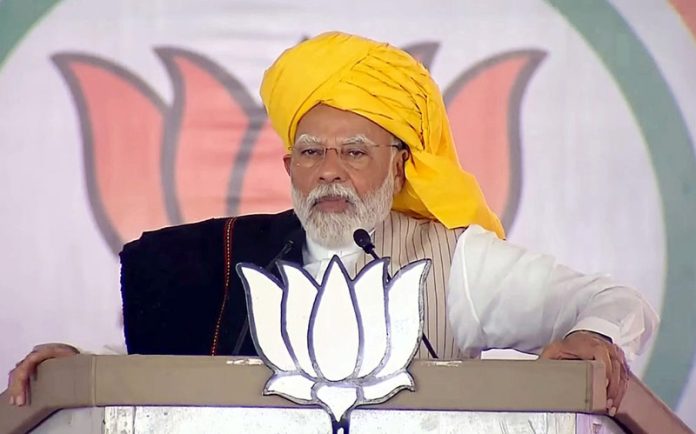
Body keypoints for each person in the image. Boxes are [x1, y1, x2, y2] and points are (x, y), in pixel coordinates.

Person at [7, 32, 657, 416]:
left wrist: (596, 336)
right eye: (312, 153)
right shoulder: (234, 256)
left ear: (400, 167)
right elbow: (177, 372)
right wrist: (80, 374)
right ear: (289, 166)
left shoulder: (455, 266)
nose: (330, 172)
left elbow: (611, 301)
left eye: (355, 152)